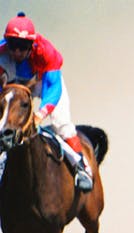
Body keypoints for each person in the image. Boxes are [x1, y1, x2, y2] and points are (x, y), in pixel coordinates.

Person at [0, 12, 93, 192]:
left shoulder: (46, 52)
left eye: (22, 47)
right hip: (14, 85)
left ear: (31, 45)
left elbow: (53, 88)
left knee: (61, 124)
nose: (17, 52)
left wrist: (40, 114)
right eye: (13, 45)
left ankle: (81, 168)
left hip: (42, 83)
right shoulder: (2, 54)